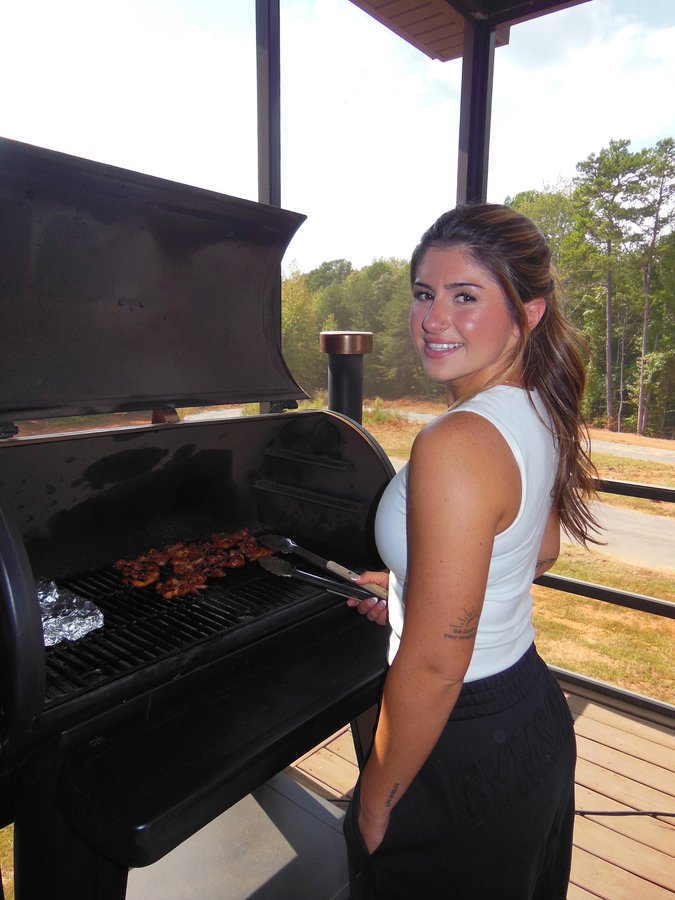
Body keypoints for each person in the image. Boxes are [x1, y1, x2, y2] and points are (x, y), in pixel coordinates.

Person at [343, 202, 599, 899]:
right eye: (424, 294)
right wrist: (415, 590)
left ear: (529, 312)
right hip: (527, 716)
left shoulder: (455, 443)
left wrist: (374, 797)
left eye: (465, 297)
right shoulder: (538, 407)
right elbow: (535, 551)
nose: (432, 318)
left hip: (457, 745)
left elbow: (434, 662)